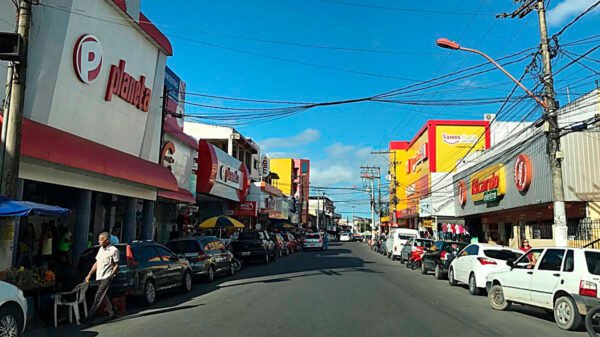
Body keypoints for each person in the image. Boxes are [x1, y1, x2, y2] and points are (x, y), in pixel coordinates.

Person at [84, 232, 119, 322]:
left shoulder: (113, 250)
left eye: (101, 239)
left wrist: (111, 275)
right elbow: (97, 263)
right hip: (99, 276)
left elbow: (116, 265)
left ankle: (89, 317)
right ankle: (112, 312)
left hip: (107, 277)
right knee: (104, 295)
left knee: (98, 296)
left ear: (107, 241)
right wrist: (89, 274)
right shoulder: (100, 249)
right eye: (99, 239)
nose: (99, 241)